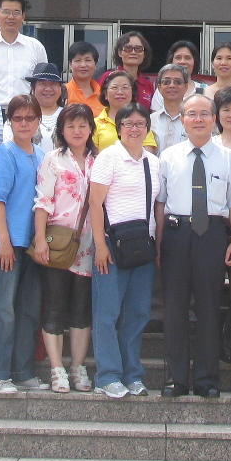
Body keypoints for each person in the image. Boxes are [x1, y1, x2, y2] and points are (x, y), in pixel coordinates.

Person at [157, 94, 231, 397]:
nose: (198, 119)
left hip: (212, 235)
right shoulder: (168, 157)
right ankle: (176, 379)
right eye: (192, 114)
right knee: (175, 309)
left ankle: (208, 379)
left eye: (204, 114)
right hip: (175, 233)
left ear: (214, 119)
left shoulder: (229, 159)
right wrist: (158, 243)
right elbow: (160, 204)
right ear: (182, 120)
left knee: (209, 307)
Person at [0, 94, 48, 393]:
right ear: (9, 122)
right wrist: (3, 241)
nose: (24, 123)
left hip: (33, 243)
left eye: (30, 117)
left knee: (28, 308)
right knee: (2, 308)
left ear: (38, 121)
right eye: (18, 118)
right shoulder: (4, 153)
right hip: (7, 242)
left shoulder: (42, 155)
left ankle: (21, 370)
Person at [89, 100, 162, 399]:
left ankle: (133, 374)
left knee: (138, 313)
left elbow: (158, 205)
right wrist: (100, 245)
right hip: (113, 246)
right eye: (128, 124)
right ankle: (107, 375)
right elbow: (95, 204)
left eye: (140, 124)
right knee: (107, 313)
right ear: (118, 128)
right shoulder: (109, 158)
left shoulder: (153, 161)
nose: (134, 128)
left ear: (147, 128)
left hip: (143, 248)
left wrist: (158, 247)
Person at [31, 103, 98, 393]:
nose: (77, 130)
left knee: (82, 308)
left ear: (91, 129)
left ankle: (78, 367)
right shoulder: (52, 159)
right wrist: (39, 239)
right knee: (55, 305)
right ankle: (57, 368)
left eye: (82, 125)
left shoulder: (101, 161)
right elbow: (42, 201)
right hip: (57, 243)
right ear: (61, 130)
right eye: (70, 125)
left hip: (90, 245)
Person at [0, 0, 46, 120]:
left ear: (23, 17)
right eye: (6, 12)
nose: (11, 17)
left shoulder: (36, 47)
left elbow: (43, 84)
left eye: (16, 12)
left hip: (26, 114)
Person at [94, 69, 154, 150]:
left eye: (125, 87)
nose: (120, 92)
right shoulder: (95, 124)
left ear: (132, 93)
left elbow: (148, 152)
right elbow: (92, 156)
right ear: (105, 94)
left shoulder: (141, 122)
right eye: (114, 87)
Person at [150, 64, 191, 151]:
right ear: (159, 87)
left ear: (186, 87)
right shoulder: (150, 121)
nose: (172, 86)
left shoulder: (193, 120)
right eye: (166, 82)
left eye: (178, 82)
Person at [26, 62, 67, 148]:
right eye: (42, 84)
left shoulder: (69, 115)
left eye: (53, 84)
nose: (48, 89)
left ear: (61, 89)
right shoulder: (21, 116)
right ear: (33, 88)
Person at [115, 31, 156, 105]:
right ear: (120, 53)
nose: (133, 52)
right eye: (128, 48)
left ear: (144, 54)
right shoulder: (109, 77)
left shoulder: (148, 85)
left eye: (138, 49)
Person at [65, 40, 104, 113]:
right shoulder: (63, 92)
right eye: (78, 60)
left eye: (88, 60)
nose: (83, 65)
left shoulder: (103, 95)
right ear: (70, 64)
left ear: (95, 64)